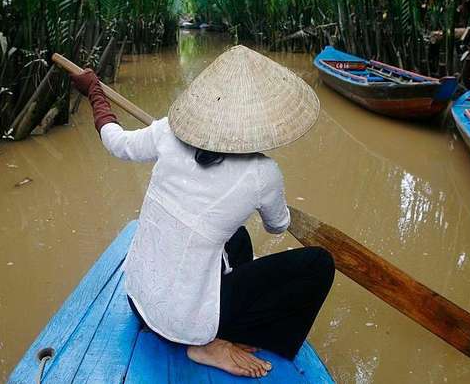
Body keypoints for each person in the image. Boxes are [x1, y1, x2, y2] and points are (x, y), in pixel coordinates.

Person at [71, 45, 334, 378]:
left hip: (137, 300)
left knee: (236, 236)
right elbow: (278, 226)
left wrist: (94, 91)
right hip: (184, 326)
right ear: (260, 120)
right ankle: (216, 342)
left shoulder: (167, 131)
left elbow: (116, 141)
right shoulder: (262, 173)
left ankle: (212, 320)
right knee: (318, 263)